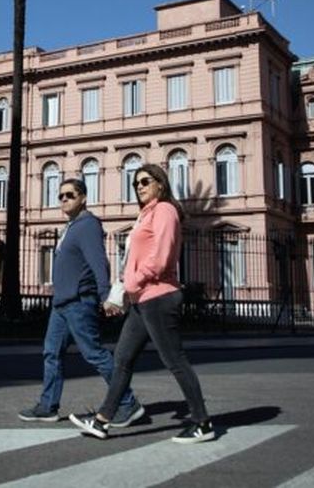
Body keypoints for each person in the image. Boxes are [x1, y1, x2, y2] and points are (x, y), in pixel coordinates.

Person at [69, 164, 214, 444]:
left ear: (160, 183)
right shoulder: (146, 214)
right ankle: (102, 420)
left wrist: (132, 283)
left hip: (158, 297)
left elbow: (160, 258)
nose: (140, 186)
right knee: (122, 359)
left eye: (146, 181)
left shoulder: (165, 211)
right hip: (142, 299)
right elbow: (135, 259)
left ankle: (202, 422)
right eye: (136, 183)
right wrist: (125, 290)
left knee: (175, 361)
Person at [19, 179, 143, 426]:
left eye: (70, 195)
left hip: (79, 301)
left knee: (94, 354)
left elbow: (99, 262)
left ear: (83, 198)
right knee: (51, 352)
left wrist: (105, 296)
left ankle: (128, 403)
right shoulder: (71, 226)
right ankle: (48, 406)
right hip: (61, 303)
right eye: (61, 196)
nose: (64, 199)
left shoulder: (87, 226)